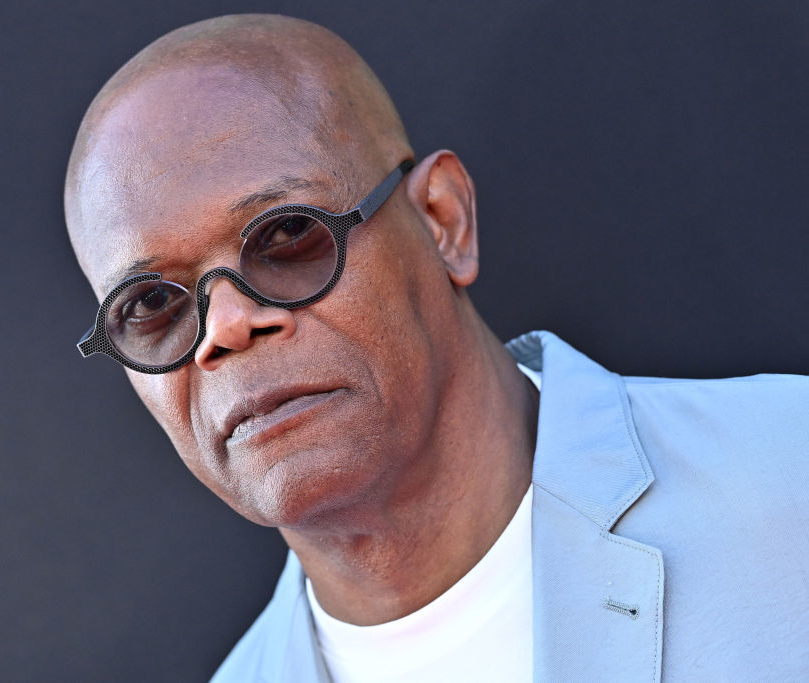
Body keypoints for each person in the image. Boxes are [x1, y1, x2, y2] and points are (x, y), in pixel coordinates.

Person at [63, 14, 809, 682]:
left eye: (287, 236)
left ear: (443, 220)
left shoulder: (790, 475)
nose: (224, 327)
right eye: (151, 304)